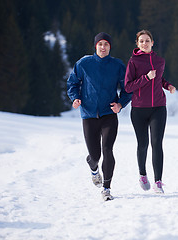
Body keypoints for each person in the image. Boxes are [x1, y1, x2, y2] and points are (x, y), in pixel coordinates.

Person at [67, 32, 131, 201]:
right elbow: (72, 83)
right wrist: (75, 98)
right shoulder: (84, 63)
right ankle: (93, 168)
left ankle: (107, 188)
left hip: (109, 114)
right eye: (100, 44)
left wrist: (120, 104)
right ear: (95, 46)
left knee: (107, 149)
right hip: (88, 115)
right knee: (95, 156)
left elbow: (127, 88)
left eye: (106, 44)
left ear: (110, 47)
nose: (103, 47)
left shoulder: (117, 65)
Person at [125, 30, 176, 194]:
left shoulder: (159, 61)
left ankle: (158, 182)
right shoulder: (133, 62)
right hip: (139, 109)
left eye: (147, 41)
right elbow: (128, 86)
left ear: (152, 43)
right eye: (141, 41)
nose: (144, 43)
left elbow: (160, 79)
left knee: (157, 144)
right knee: (143, 144)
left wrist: (168, 86)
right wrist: (146, 78)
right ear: (137, 44)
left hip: (158, 108)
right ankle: (142, 175)